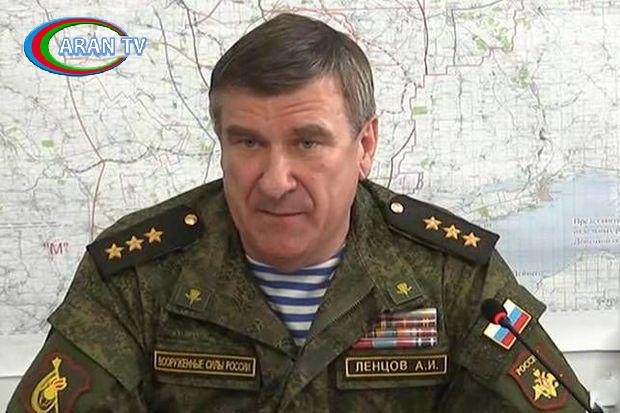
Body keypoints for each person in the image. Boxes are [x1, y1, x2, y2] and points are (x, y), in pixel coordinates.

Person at [8, 13, 590, 412]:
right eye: (248, 142)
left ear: (364, 145)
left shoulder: (451, 274)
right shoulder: (135, 275)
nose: (275, 180)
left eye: (307, 142)